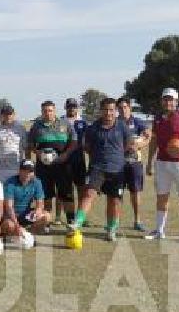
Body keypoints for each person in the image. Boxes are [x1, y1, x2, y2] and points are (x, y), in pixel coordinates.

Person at [68, 98, 136, 241]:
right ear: (101, 110)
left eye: (111, 110)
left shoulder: (122, 126)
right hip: (97, 168)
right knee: (89, 193)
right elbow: (87, 147)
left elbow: (128, 144)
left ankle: (111, 229)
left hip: (117, 170)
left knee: (114, 201)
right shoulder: (92, 128)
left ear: (115, 111)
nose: (108, 113)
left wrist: (117, 156)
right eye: (105, 109)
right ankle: (77, 223)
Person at [145, 88, 179, 245]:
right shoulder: (157, 118)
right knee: (162, 196)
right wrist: (150, 161)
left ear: (176, 101)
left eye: (171, 99)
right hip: (162, 163)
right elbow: (154, 141)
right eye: (165, 99)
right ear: (161, 101)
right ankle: (159, 231)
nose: (168, 102)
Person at [27, 100, 78, 226]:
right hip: (43, 167)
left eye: (50, 110)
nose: (48, 113)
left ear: (55, 111)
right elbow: (30, 144)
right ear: (41, 112)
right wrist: (38, 153)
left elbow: (74, 141)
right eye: (45, 111)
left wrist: (65, 155)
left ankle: (71, 221)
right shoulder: (37, 126)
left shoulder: (64, 123)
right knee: (46, 196)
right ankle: (47, 223)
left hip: (62, 166)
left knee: (66, 194)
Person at [117, 97, 151, 231]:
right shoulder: (114, 123)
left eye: (125, 107)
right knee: (117, 193)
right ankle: (116, 221)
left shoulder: (137, 122)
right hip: (118, 164)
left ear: (130, 108)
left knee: (135, 192)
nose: (122, 110)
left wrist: (139, 144)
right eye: (120, 108)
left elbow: (148, 135)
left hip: (134, 163)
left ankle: (137, 221)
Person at [1, 160, 49, 237]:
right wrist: (17, 225)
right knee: (10, 225)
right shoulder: (10, 183)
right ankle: (13, 237)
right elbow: (9, 207)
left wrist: (38, 210)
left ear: (33, 173)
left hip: (26, 215)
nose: (27, 174)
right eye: (25, 171)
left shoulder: (37, 182)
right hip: (11, 216)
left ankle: (30, 236)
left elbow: (40, 203)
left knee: (46, 216)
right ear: (19, 171)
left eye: (30, 171)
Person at [62, 98, 88, 225]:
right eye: (69, 107)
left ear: (77, 108)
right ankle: (66, 217)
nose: (72, 109)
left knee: (81, 188)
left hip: (79, 160)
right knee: (66, 190)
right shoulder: (60, 122)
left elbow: (87, 141)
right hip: (65, 160)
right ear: (65, 108)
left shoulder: (83, 122)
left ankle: (81, 217)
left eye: (74, 106)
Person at [0, 105, 28, 184]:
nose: (8, 116)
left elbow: (26, 149)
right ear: (1, 115)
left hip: (16, 168)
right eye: (5, 114)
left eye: (10, 114)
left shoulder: (21, 129)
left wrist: (25, 166)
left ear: (13, 115)